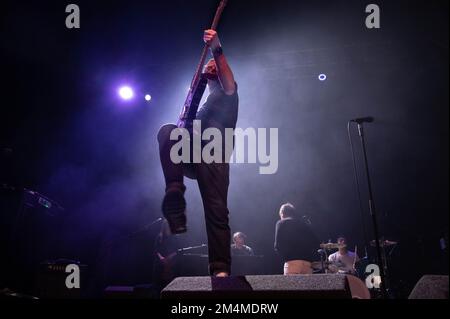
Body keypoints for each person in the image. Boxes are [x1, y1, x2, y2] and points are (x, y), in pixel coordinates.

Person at [157, 29, 238, 277]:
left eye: (216, 65)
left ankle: (220, 269)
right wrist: (196, 86)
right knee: (167, 130)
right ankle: (175, 194)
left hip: (213, 154)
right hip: (193, 152)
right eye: (210, 66)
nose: (213, 66)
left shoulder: (229, 95)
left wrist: (216, 48)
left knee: (215, 210)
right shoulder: (204, 100)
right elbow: (183, 126)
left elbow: (228, 82)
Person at [274, 203, 319, 275]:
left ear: (282, 213)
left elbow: (278, 245)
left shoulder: (281, 223)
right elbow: (315, 241)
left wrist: (286, 258)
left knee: (291, 286)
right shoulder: (304, 223)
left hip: (292, 262)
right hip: (307, 263)